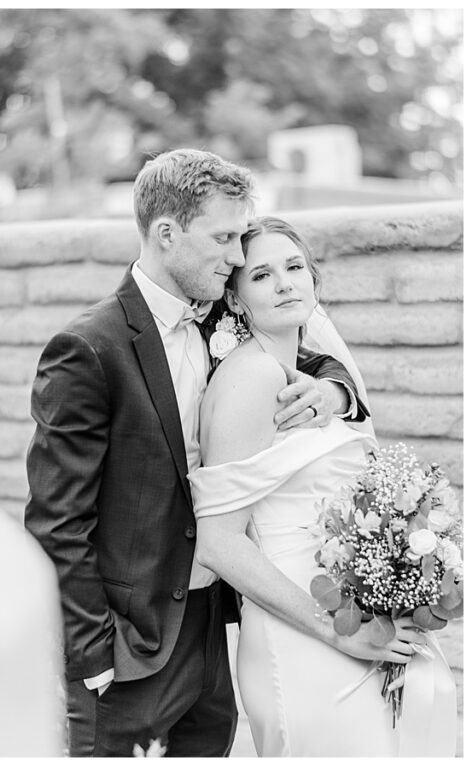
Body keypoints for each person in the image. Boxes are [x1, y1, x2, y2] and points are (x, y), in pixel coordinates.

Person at [24, 148, 368, 757]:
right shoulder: (88, 347)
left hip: (211, 636)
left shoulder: (218, 316)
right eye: (225, 238)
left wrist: (334, 391)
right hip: (127, 653)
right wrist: (93, 657)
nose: (239, 258)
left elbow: (303, 350)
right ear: (167, 234)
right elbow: (57, 519)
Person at [188, 216, 456, 756]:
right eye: (261, 275)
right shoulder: (252, 378)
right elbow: (218, 541)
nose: (285, 283)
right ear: (236, 301)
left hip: (348, 616)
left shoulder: (305, 373)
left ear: (314, 279)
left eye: (294, 267)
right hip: (305, 636)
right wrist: (338, 630)